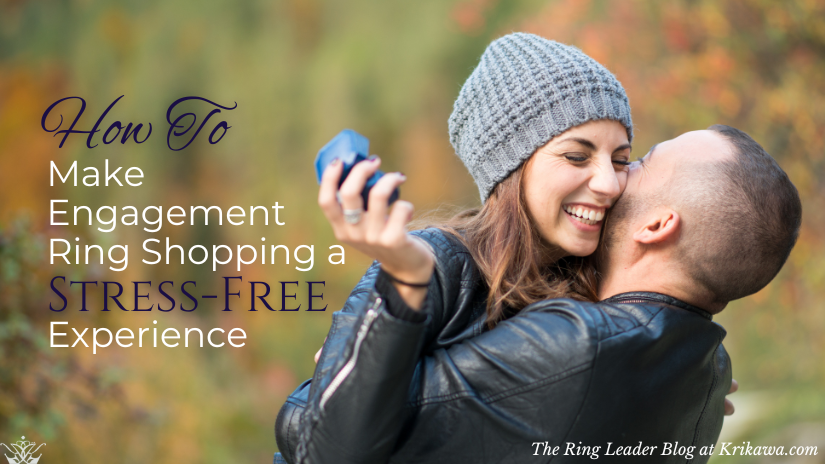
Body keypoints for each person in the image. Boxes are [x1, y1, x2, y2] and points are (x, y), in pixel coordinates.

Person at [275, 124, 801, 464]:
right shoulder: (709, 373)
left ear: (659, 225)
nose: (614, 182)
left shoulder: (576, 346)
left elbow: (315, 438)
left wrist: (352, 351)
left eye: (637, 162)